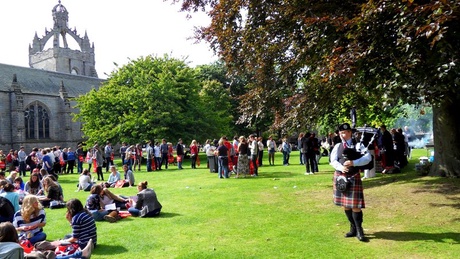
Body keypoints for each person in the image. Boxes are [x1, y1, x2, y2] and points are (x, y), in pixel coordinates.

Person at [330, 122, 371, 242]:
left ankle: (359, 230)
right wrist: (340, 167)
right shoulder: (337, 146)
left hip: (353, 176)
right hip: (340, 177)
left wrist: (354, 163)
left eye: (345, 132)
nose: (342, 134)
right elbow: (333, 161)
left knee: (355, 206)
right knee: (345, 205)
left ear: (350, 133)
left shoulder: (358, 145)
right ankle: (352, 228)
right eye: (341, 132)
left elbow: (368, 158)